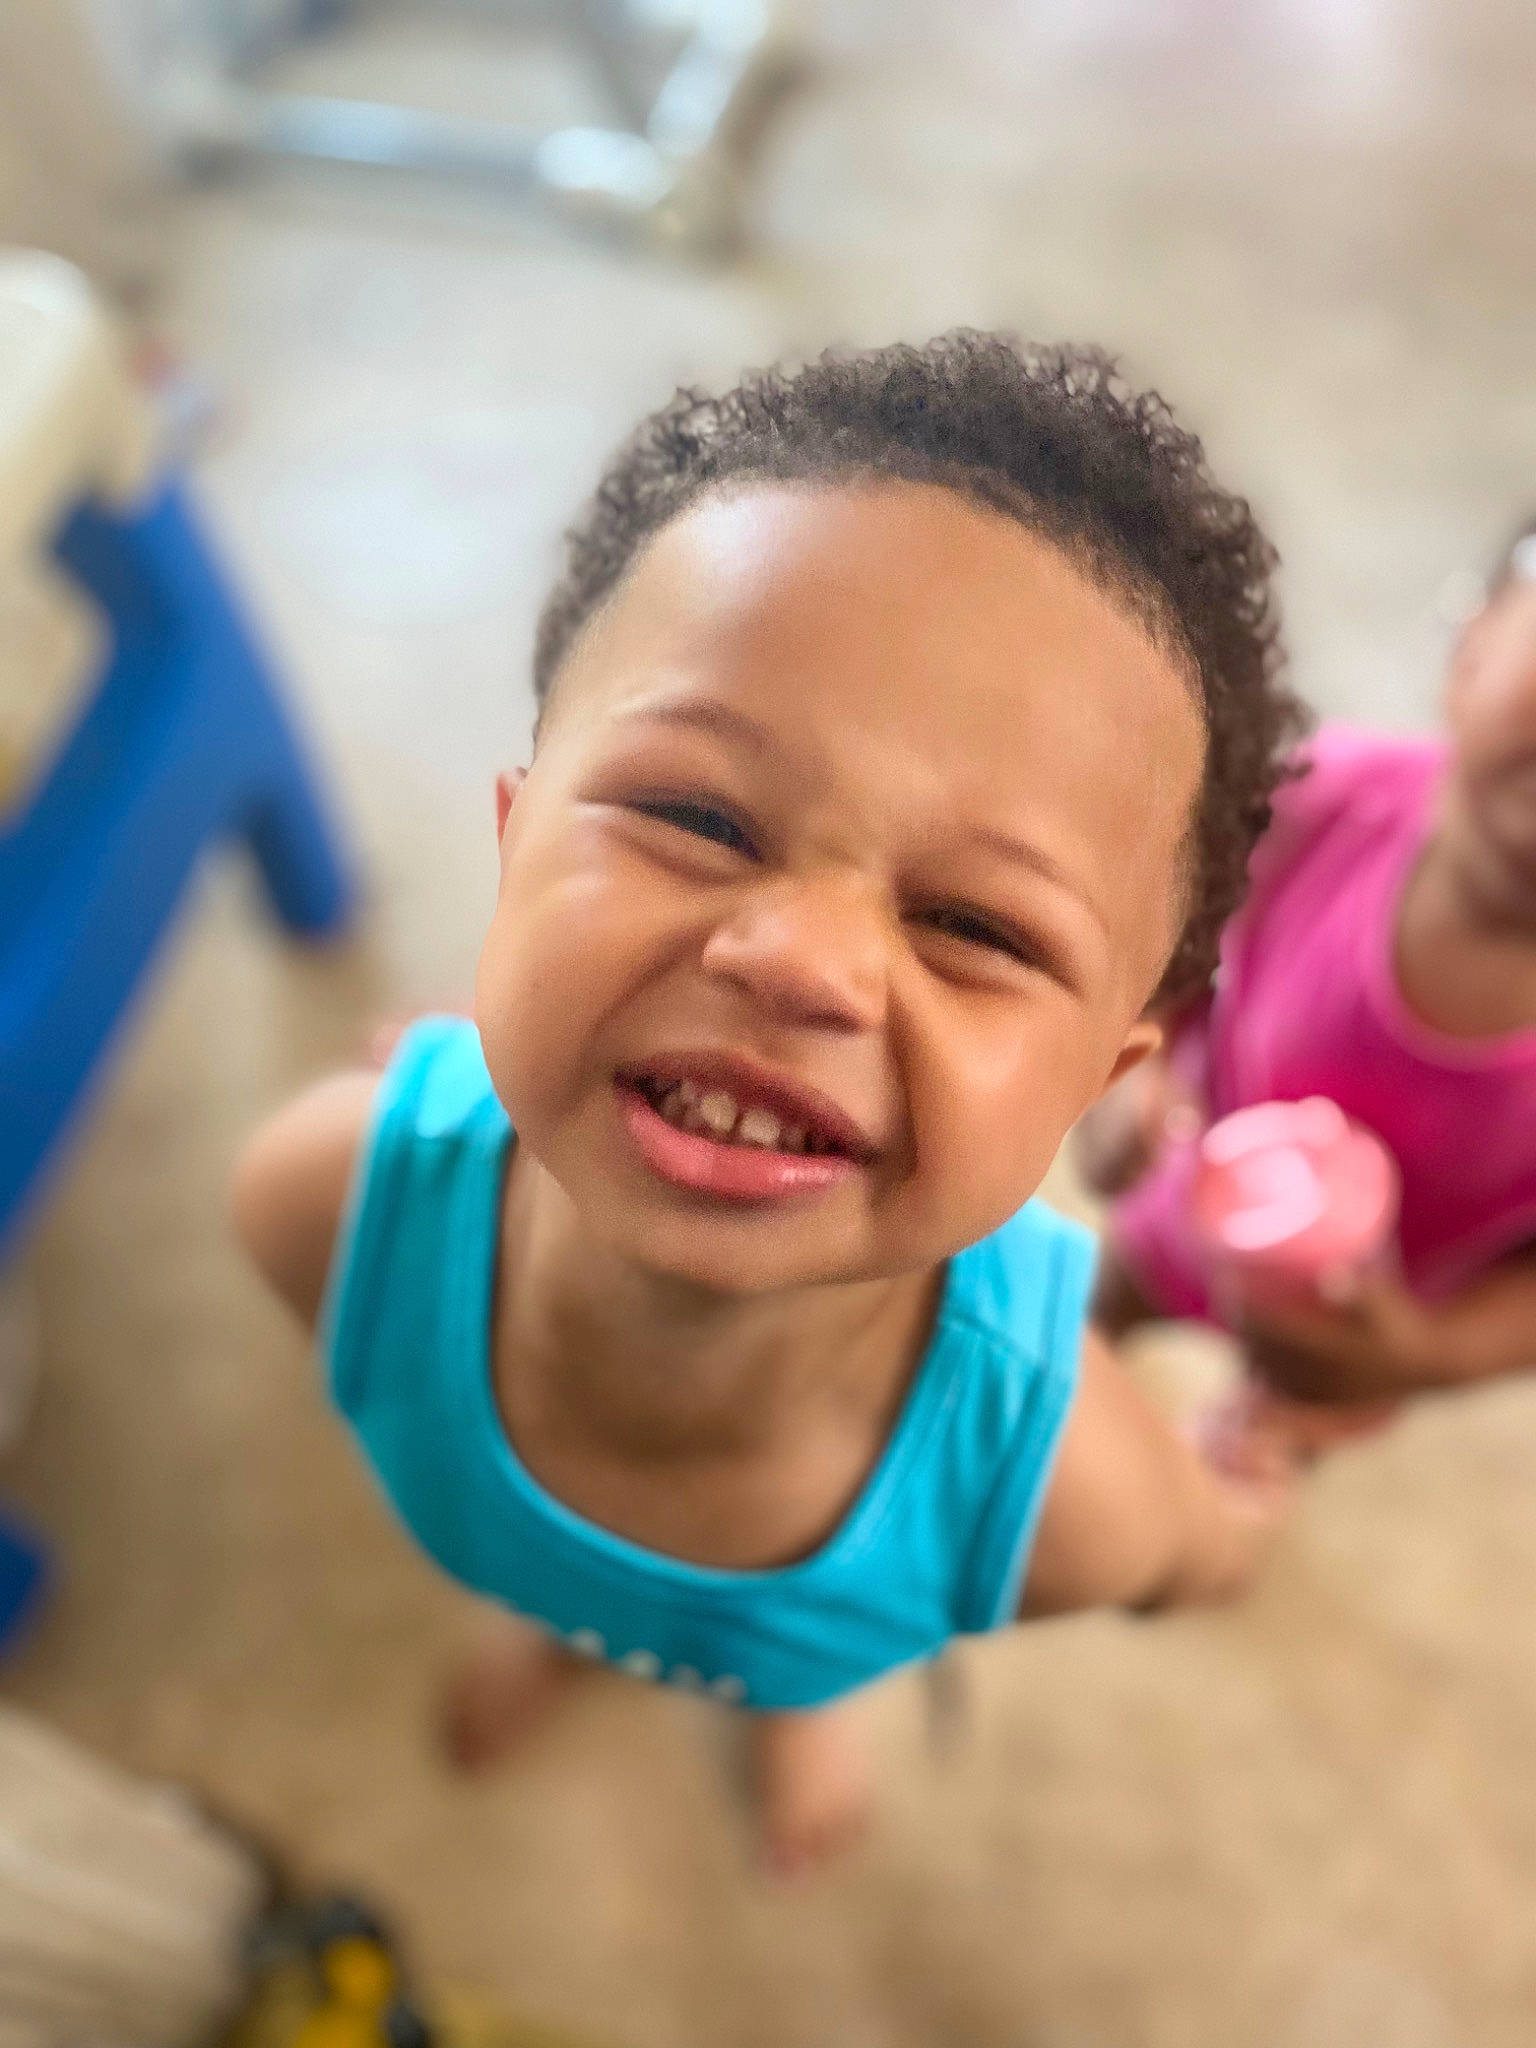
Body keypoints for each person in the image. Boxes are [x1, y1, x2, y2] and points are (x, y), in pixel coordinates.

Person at [232, 334, 1304, 1879]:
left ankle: (797, 1693)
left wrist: (1235, 1511)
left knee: (803, 1645)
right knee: (576, 1585)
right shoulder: (325, 1204)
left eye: (979, 926)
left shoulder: (1062, 1488)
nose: (801, 961)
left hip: (867, 1592)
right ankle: (576, 1623)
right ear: (515, 847)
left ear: (1097, 1079)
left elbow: (1194, 1555)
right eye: (694, 815)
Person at [1084, 516, 1536, 1445]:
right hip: (1182, 1201)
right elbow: (1168, 932)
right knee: (1082, 1322)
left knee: (1246, 1470)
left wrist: (1426, 1355)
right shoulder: (1318, 798)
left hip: (1358, 1333)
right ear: (1475, 640)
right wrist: (1131, 1062)